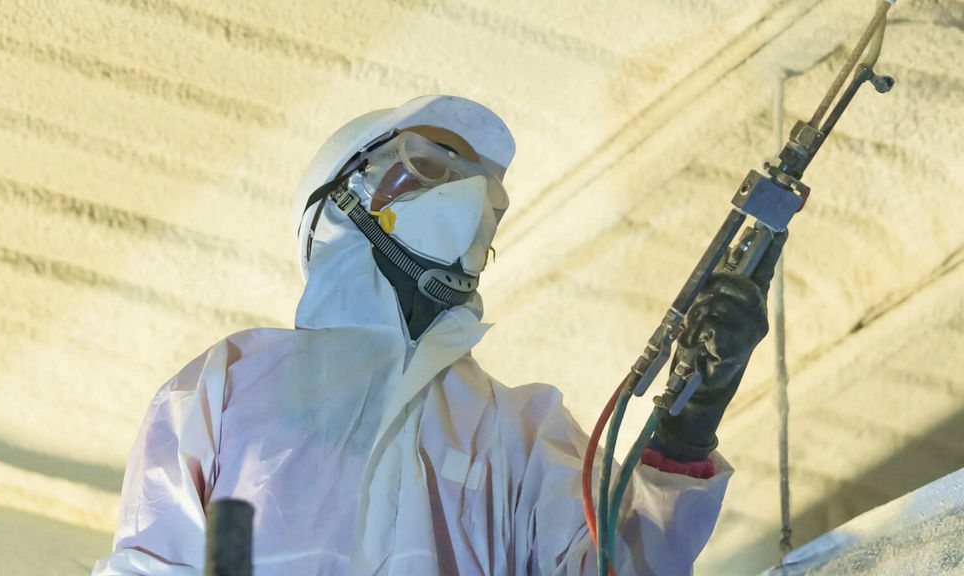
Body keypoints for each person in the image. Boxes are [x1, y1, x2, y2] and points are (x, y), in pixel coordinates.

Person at [93, 95, 779, 575]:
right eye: (429, 169)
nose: (467, 198)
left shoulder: (524, 431)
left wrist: (688, 428)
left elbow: (618, 567)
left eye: (482, 189)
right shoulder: (229, 386)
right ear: (341, 203)